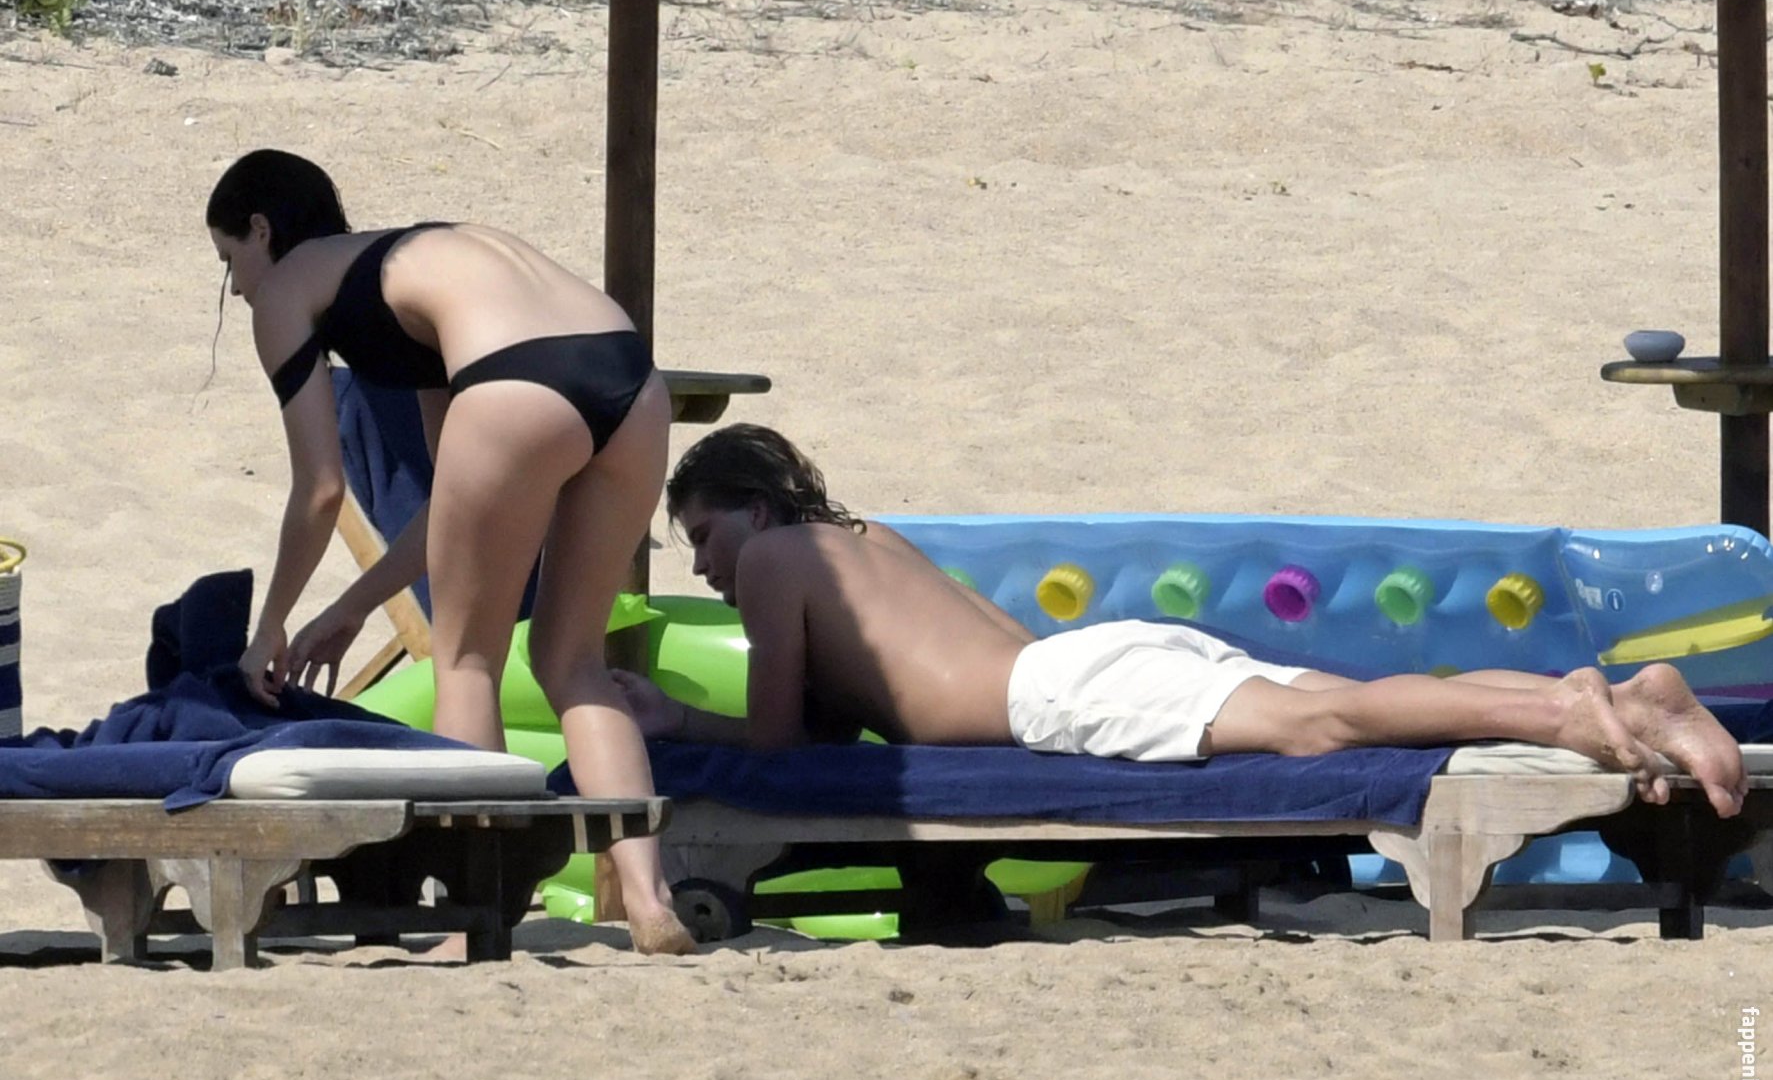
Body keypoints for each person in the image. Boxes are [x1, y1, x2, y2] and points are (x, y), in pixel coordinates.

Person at [615, 423, 1750, 820]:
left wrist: (675, 721)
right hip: (1095, 661)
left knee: (1324, 727)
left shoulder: (775, 559)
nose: (706, 568)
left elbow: (778, 750)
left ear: (753, 510)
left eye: (704, 536)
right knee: (1343, 702)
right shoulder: (872, 541)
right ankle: (1617, 694)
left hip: (1062, 696)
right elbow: (842, 722)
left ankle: (1564, 712)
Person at [206, 148, 695, 954]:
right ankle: (650, 901)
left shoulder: (290, 285)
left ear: (261, 229)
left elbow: (320, 489)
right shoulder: (412, 272)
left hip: (515, 384)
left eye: (228, 260)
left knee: (466, 662)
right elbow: (453, 503)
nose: (236, 288)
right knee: (572, 661)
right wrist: (351, 609)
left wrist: (270, 630)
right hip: (633, 380)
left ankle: (476, 917)